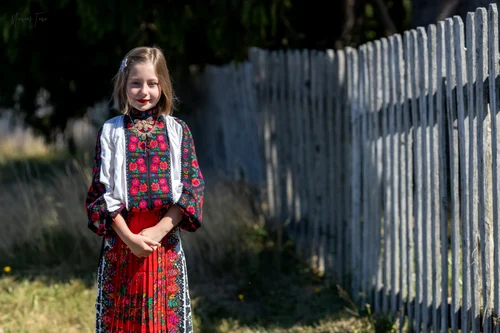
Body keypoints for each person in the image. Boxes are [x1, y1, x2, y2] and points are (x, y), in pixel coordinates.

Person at [85, 46, 204, 333]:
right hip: (122, 243)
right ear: (124, 85)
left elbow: (191, 190)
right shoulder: (111, 132)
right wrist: (130, 239)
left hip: (164, 243)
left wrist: (158, 230)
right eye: (135, 83)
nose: (144, 91)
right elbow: (100, 194)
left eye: (152, 83)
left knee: (162, 322)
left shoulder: (178, 131)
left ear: (162, 85)